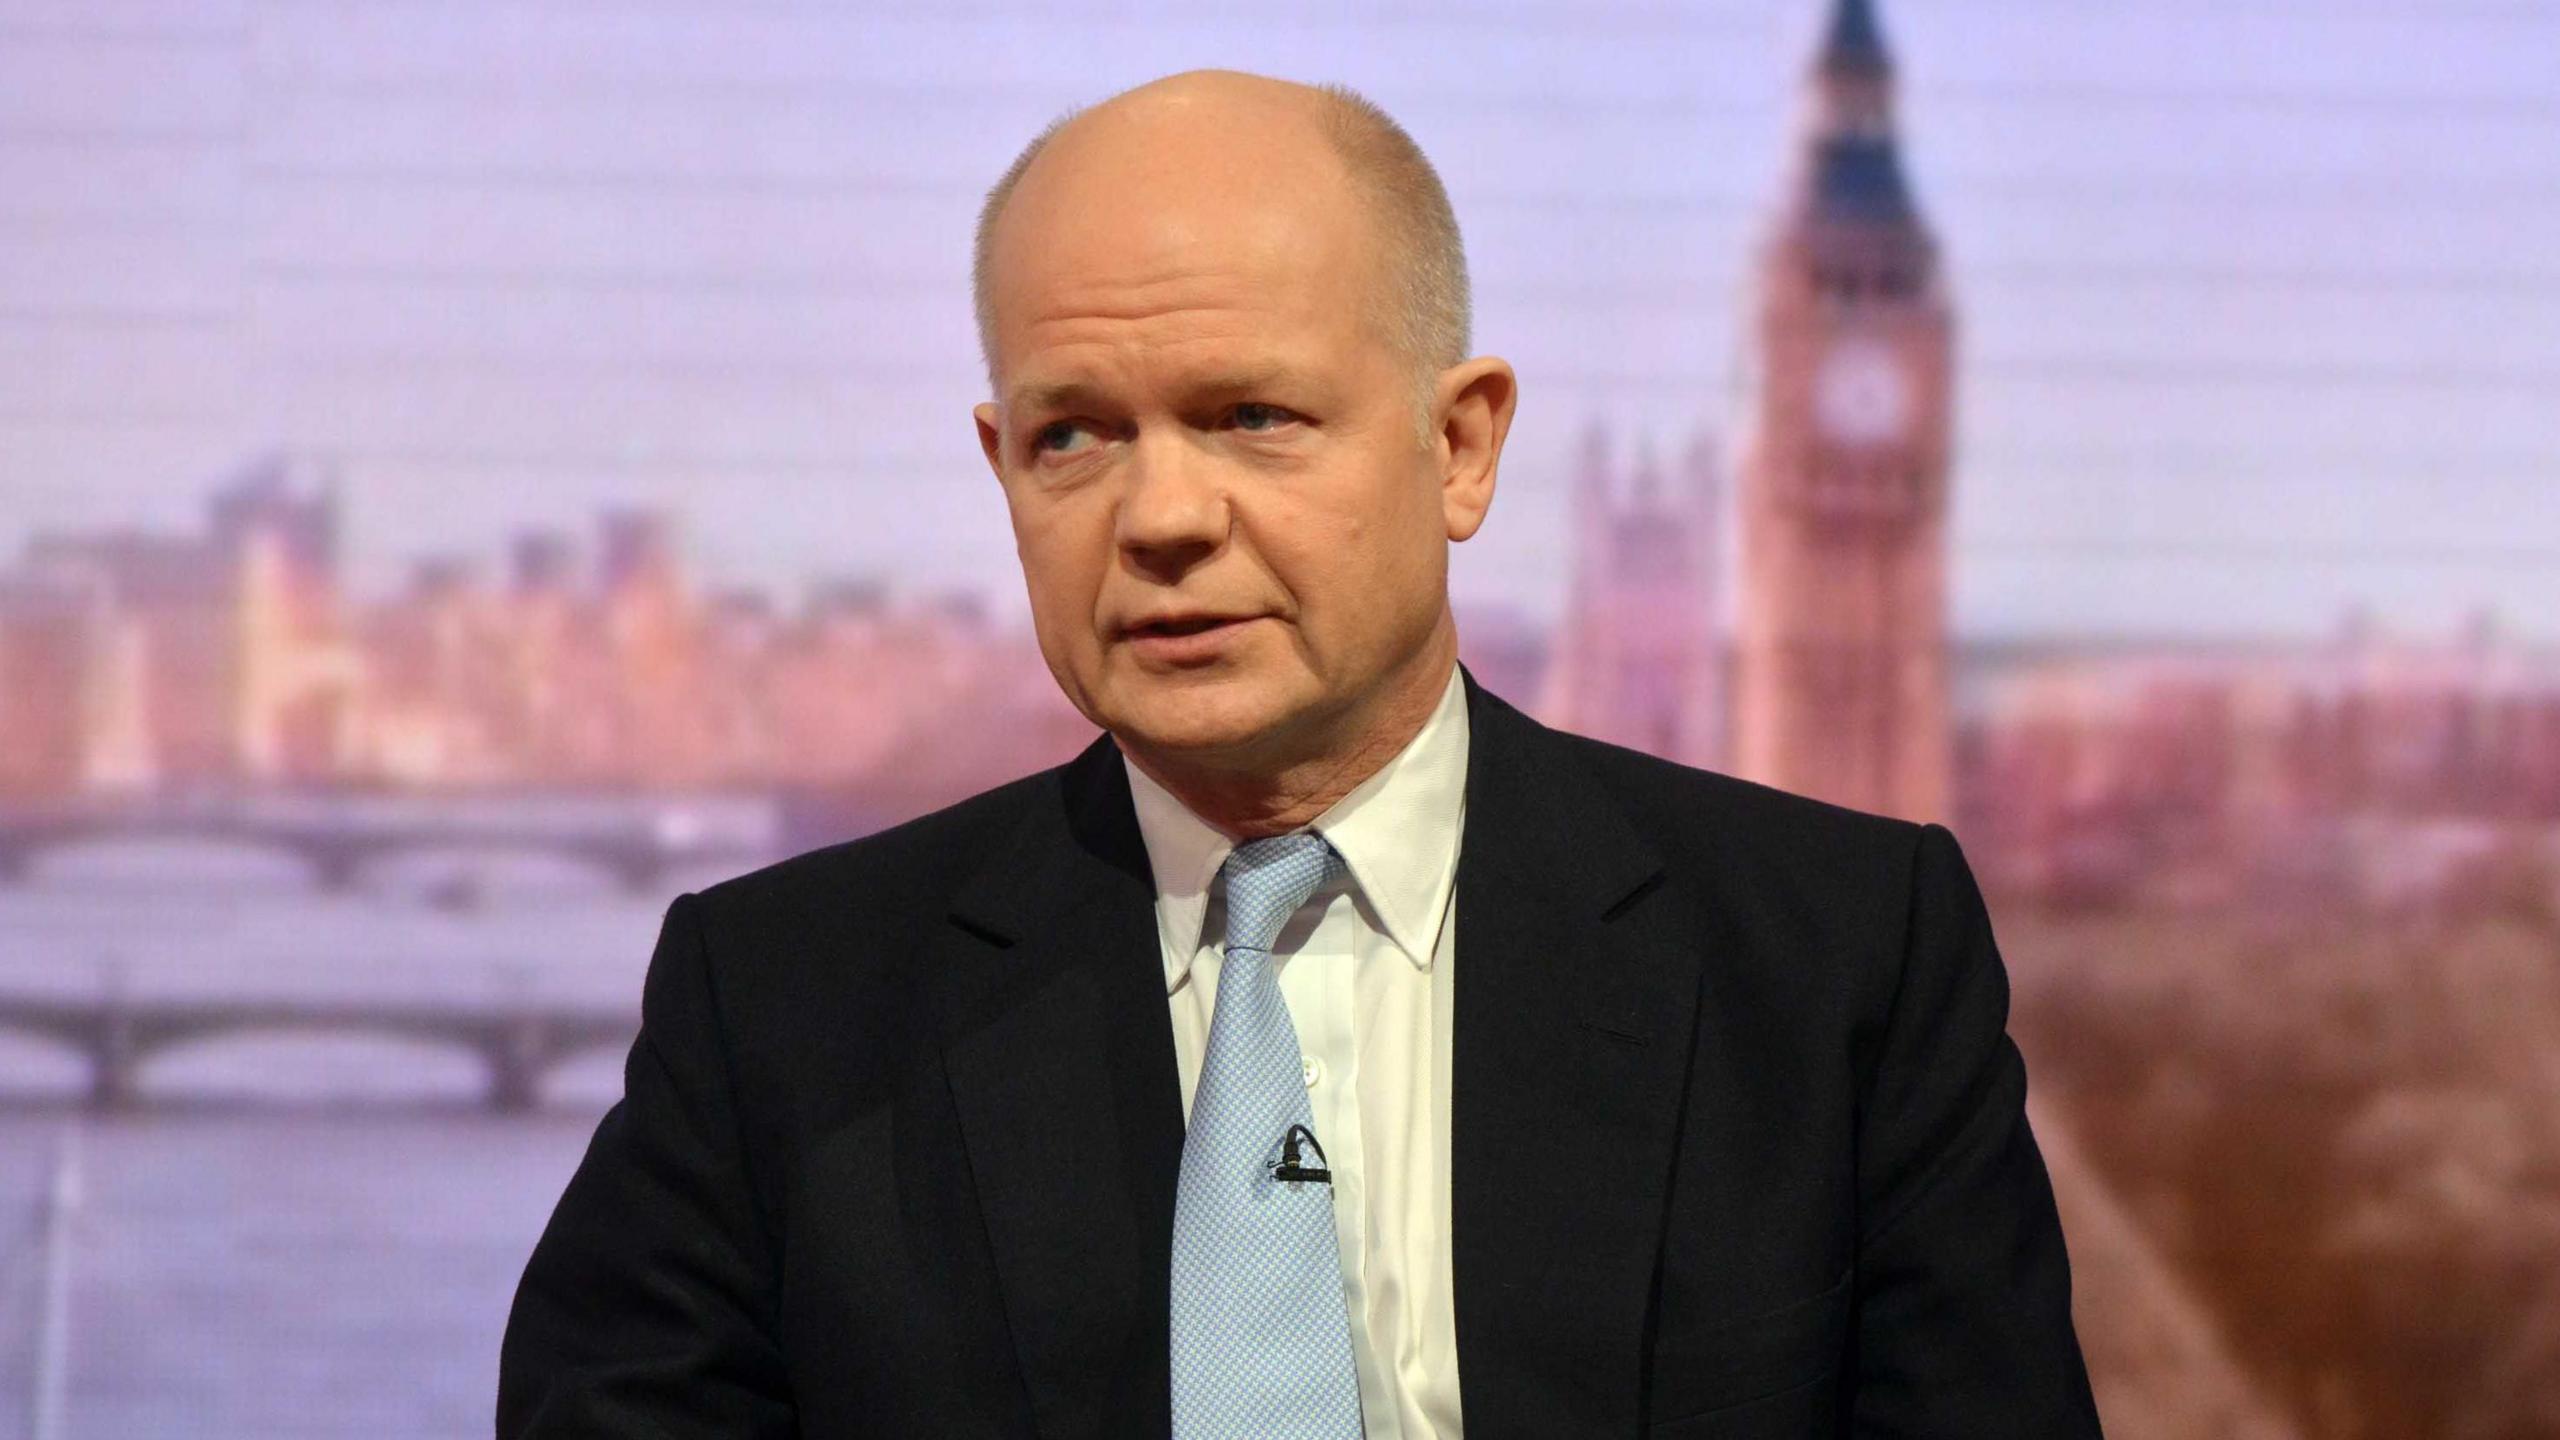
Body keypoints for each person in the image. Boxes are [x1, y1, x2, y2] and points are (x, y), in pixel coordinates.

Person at [497, 68, 2102, 1439]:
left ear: (1460, 446)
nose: (1165, 518)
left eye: (1254, 415)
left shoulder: (1834, 964)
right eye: (1075, 435)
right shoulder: (778, 1008)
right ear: (1000, 466)